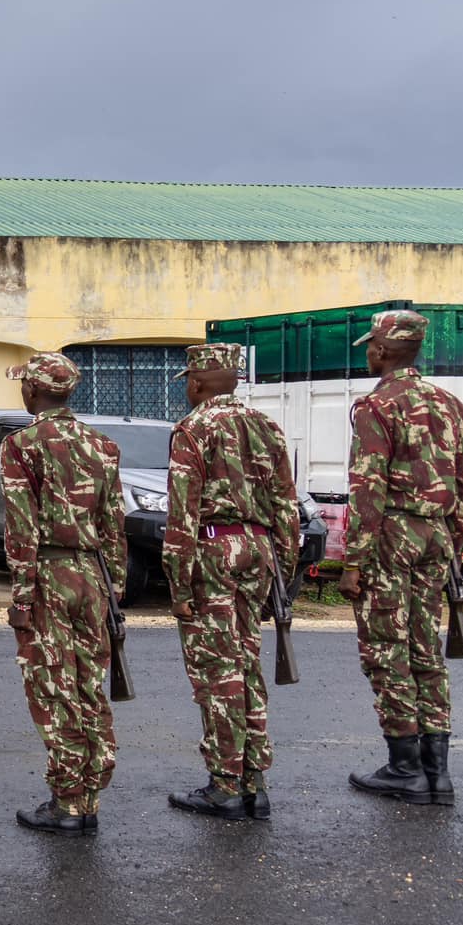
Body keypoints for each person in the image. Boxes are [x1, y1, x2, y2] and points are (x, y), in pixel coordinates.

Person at [162, 342, 300, 821]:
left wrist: (178, 586)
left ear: (198, 382)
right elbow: (287, 504)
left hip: (212, 550)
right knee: (246, 662)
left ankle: (225, 784)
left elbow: (182, 512)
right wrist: (284, 568)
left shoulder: (193, 429)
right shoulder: (268, 427)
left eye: (189, 384)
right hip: (258, 551)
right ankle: (254, 782)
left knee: (216, 671)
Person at [340, 309, 463, 806]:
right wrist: (452, 541)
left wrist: (354, 561)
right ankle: (438, 775)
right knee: (426, 652)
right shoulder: (450, 403)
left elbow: (367, 487)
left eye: (372, 345)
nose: (370, 352)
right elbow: (461, 478)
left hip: (392, 533)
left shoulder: (377, 405)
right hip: (435, 535)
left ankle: (404, 767)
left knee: (385, 649)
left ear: (383, 350)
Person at [0, 352, 127, 836]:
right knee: (90, 684)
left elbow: (21, 530)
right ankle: (90, 791)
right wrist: (114, 589)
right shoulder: (102, 446)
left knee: (53, 687)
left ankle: (68, 801)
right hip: (92, 576)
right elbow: (115, 523)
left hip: (49, 572)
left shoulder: (23, 445)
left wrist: (22, 597)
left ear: (33, 391)